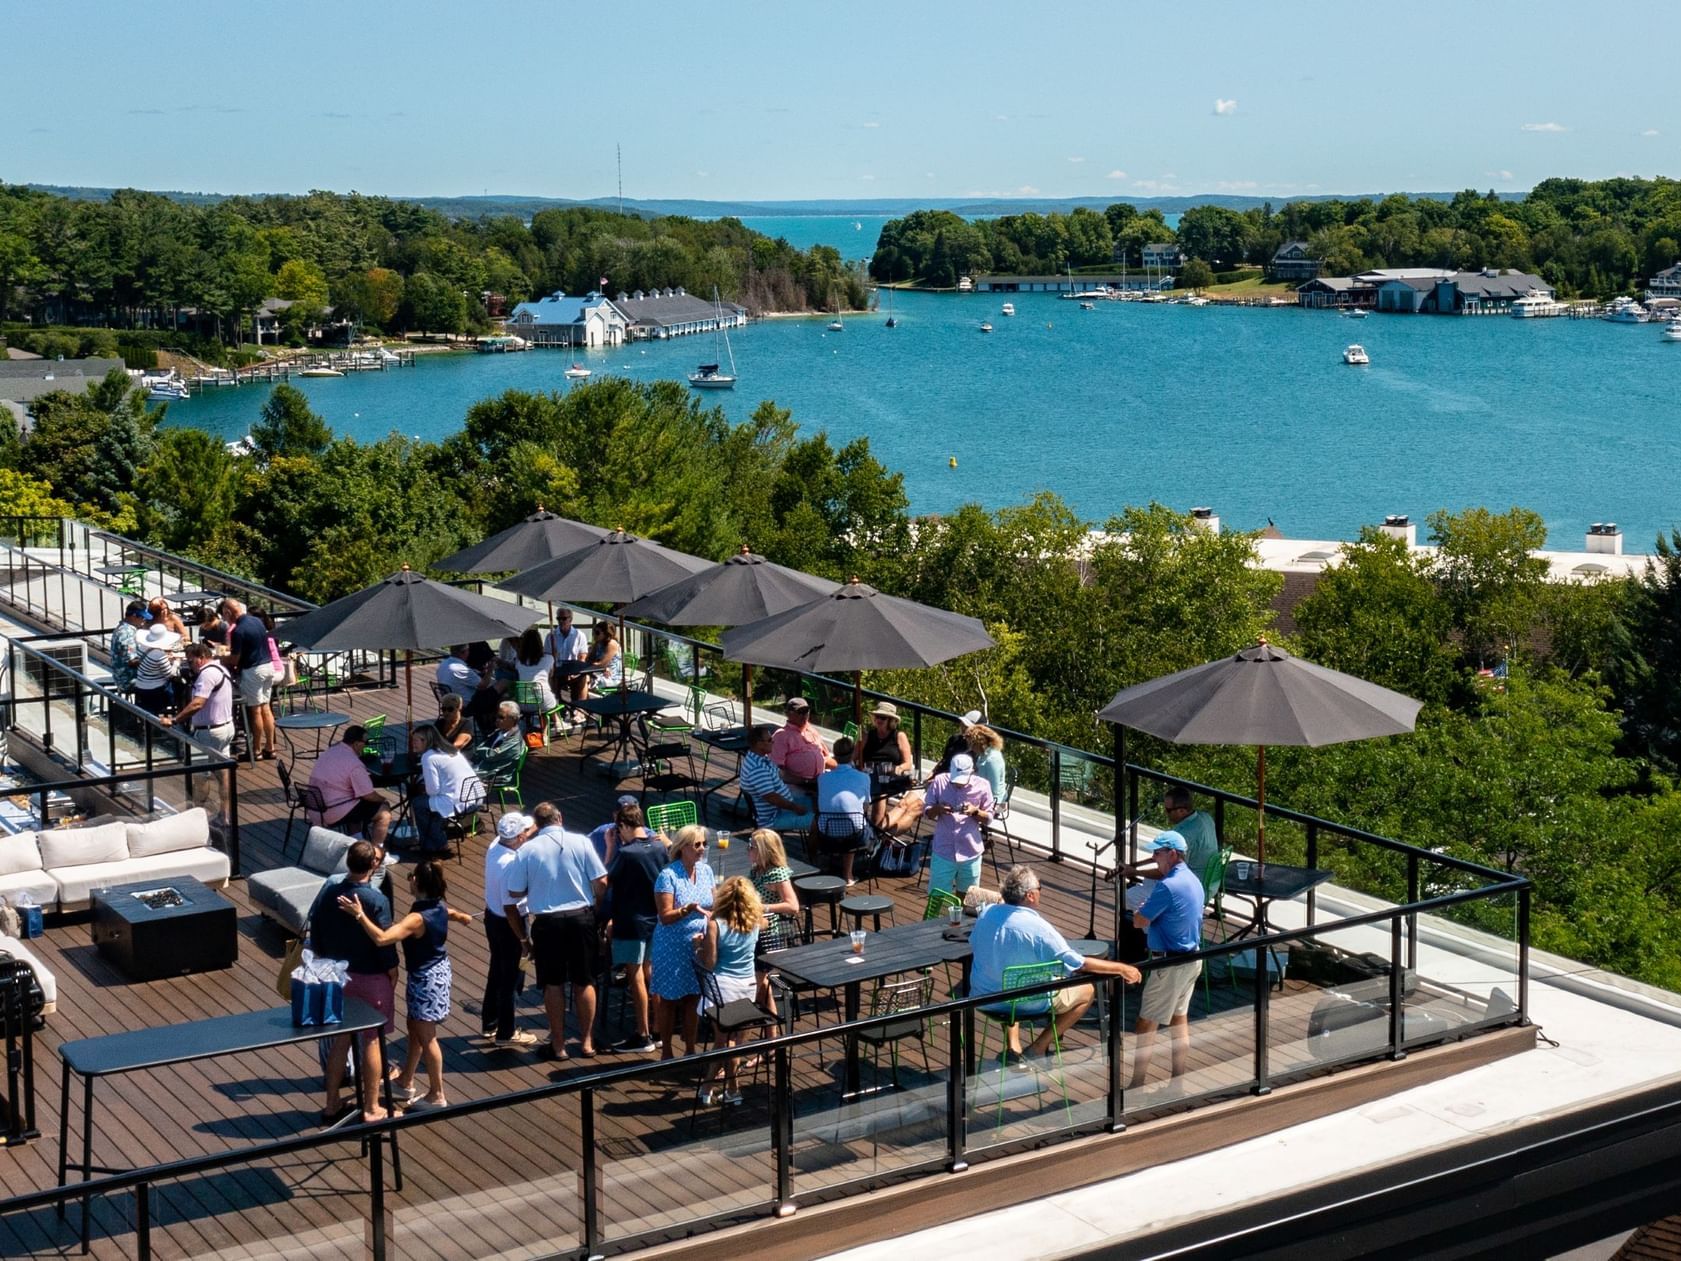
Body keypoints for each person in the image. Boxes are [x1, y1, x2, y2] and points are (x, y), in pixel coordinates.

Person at [339, 859, 474, 1112]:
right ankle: (406, 1080)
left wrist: (360, 916)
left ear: (417, 882)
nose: (408, 879)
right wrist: (463, 917)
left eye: (411, 875)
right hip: (436, 971)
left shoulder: (416, 918)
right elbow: (451, 913)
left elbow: (382, 938)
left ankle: (437, 1094)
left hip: (426, 979)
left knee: (427, 1036)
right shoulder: (438, 906)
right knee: (414, 1028)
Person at [970, 865, 1140, 1059]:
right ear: (1030, 896)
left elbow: (974, 943)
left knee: (1009, 976)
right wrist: (1122, 968)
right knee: (1087, 991)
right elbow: (1078, 963)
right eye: (1039, 889)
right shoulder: (1039, 928)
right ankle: (1038, 1048)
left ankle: (1013, 1047)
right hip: (1024, 1001)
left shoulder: (986, 913)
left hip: (984, 997)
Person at [503, 802, 607, 1060]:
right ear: (560, 817)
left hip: (548, 923)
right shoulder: (581, 841)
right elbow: (602, 882)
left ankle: (558, 1046)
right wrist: (596, 908)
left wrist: (536, 886)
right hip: (581, 918)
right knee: (585, 981)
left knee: (553, 983)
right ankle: (586, 1042)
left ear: (537, 824)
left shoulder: (527, 850)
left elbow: (514, 892)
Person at [307, 839, 398, 1124]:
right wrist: (392, 974)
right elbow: (385, 944)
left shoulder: (328, 894)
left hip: (336, 976)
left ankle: (332, 1103)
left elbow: (317, 936)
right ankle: (371, 1107)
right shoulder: (375, 900)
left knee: (341, 1040)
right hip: (370, 976)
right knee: (372, 1040)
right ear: (373, 864)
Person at [1128, 831, 1206, 1090]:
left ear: (1173, 854)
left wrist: (1140, 913)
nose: (1154, 858)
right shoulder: (1194, 880)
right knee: (1178, 1018)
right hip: (1192, 959)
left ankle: (1137, 1085)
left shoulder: (1167, 886)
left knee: (1146, 1022)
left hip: (1169, 964)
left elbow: (1140, 921)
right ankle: (1177, 1082)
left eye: (1158, 853)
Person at [693, 876, 763, 1105]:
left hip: (721, 987)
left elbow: (710, 962)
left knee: (725, 1041)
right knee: (728, 1041)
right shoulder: (755, 921)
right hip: (747, 986)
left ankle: (726, 1089)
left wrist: (698, 947)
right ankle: (714, 1089)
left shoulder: (715, 924)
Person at [650, 825, 716, 1060]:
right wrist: (687, 910)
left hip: (697, 945)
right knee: (669, 1000)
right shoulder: (668, 876)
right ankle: (666, 1051)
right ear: (683, 847)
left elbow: (713, 903)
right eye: (697, 844)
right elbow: (665, 917)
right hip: (671, 946)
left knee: (693, 997)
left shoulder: (706, 871)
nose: (701, 849)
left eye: (704, 844)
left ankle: (690, 1050)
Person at [605, 815, 667, 1053]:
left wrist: (611, 847)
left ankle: (642, 1035)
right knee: (652, 973)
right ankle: (658, 1028)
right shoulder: (660, 846)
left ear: (624, 826)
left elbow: (606, 880)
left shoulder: (627, 853)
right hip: (656, 919)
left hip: (631, 921)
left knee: (636, 975)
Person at [159, 641, 234, 822]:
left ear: (201, 658)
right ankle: (225, 815)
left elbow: (198, 703)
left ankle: (196, 817)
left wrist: (176, 720)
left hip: (209, 732)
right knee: (222, 772)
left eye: (191, 662)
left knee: (201, 775)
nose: (190, 666)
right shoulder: (221, 670)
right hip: (224, 728)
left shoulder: (207, 675)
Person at [481, 812, 538, 1048]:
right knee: (511, 976)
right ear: (519, 838)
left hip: (492, 918)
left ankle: (490, 1022)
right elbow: (511, 908)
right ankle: (507, 1031)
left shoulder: (496, 845)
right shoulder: (511, 865)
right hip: (510, 925)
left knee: (497, 969)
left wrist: (535, 828)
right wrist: (524, 940)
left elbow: (529, 829)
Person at [1124, 787, 1220, 912]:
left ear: (1182, 811)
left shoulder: (1183, 836)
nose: (1165, 813)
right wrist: (1136, 865)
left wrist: (1134, 872)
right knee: (1148, 880)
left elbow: (1166, 872)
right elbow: (1164, 856)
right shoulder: (1205, 818)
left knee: (1128, 897)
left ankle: (1152, 926)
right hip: (1210, 883)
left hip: (1190, 890)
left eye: (1168, 810)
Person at [307, 724, 392, 845]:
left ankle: (357, 842)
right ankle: (377, 851)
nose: (366, 745)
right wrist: (384, 799)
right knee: (384, 812)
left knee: (356, 802)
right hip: (333, 811)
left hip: (314, 809)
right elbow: (368, 795)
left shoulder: (330, 751)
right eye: (365, 742)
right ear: (357, 744)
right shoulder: (354, 765)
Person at [923, 751, 994, 895]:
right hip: (944, 851)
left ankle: (961, 918)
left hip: (970, 852)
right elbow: (927, 812)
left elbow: (989, 819)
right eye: (955, 780)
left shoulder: (983, 785)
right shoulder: (939, 781)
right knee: (938, 897)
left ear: (972, 772)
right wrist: (938, 809)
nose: (958, 784)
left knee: (967, 899)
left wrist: (975, 812)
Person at [409, 723, 482, 856]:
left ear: (426, 741)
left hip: (456, 802)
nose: (413, 744)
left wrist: (422, 787)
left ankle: (436, 843)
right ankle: (432, 844)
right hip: (474, 796)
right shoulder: (451, 750)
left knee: (418, 803)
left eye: (416, 741)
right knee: (431, 806)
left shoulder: (428, 757)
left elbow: (433, 790)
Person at [747, 829, 799, 1011]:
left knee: (755, 987)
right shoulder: (756, 871)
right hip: (753, 932)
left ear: (764, 850)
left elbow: (793, 906)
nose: (748, 849)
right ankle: (772, 1034)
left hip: (766, 936)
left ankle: (746, 1023)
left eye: (752, 846)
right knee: (762, 986)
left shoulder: (777, 874)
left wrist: (765, 908)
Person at [221, 596, 278, 760]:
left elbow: (235, 659)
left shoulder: (239, 630)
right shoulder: (256, 621)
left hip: (253, 671)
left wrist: (219, 658)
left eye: (224, 614)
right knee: (266, 708)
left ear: (228, 612)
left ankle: (256, 750)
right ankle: (270, 748)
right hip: (268, 667)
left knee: (255, 711)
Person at [854, 702, 919, 834]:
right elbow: (853, 756)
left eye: (883, 718)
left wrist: (897, 769)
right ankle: (859, 826)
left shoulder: (899, 736)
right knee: (867, 787)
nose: (878, 720)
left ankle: (875, 830)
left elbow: (907, 763)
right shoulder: (867, 735)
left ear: (891, 720)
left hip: (888, 776)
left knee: (880, 792)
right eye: (877, 717)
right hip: (868, 774)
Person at [815, 736, 871, 886]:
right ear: (852, 754)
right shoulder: (863, 777)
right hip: (854, 834)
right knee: (858, 823)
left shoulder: (822, 778)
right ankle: (848, 874)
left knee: (839, 819)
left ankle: (823, 863)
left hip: (826, 831)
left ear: (834, 755)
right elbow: (865, 807)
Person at [740, 725, 815, 832]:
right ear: (759, 744)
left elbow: (782, 774)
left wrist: (806, 781)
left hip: (784, 806)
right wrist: (795, 808)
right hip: (774, 817)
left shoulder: (760, 758)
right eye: (770, 740)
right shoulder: (757, 769)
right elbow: (772, 797)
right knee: (820, 821)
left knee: (818, 803)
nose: (773, 742)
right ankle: (814, 848)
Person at [771, 696, 834, 791]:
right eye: (800, 712)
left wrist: (844, 769)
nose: (804, 716)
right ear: (788, 714)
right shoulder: (781, 735)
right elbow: (776, 770)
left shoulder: (812, 730)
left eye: (806, 712)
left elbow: (827, 757)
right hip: (795, 786)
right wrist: (805, 781)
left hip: (819, 782)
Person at [132, 622, 183, 717]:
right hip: (155, 690)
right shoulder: (159, 655)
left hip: (140, 685)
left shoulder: (141, 648)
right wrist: (177, 662)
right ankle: (179, 711)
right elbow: (170, 674)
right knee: (180, 685)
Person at [513, 626, 558, 728]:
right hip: (542, 701)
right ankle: (550, 727)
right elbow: (551, 675)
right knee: (550, 699)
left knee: (542, 697)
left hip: (523, 703)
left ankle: (547, 726)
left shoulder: (519, 661)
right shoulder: (549, 658)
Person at [589, 795, 649, 868]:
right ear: (614, 816)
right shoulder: (601, 832)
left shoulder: (652, 838)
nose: (626, 821)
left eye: (631, 816)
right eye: (622, 816)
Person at [545, 608, 591, 701]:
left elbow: (582, 656)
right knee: (551, 679)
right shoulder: (551, 636)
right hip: (557, 670)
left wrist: (576, 672)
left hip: (573, 669)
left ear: (570, 619)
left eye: (564, 618)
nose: (561, 621)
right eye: (559, 619)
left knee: (583, 678)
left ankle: (580, 709)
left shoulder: (579, 635)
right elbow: (547, 656)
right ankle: (555, 704)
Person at [932, 709, 984, 776]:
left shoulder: (979, 752)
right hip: (940, 777)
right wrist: (932, 773)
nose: (963, 727)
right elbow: (943, 760)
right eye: (962, 723)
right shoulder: (954, 739)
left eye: (967, 726)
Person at [109, 601, 146, 695]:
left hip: (122, 677)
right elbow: (132, 661)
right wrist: (151, 658)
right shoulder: (127, 633)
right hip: (129, 680)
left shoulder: (122, 628)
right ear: (134, 616)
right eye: (142, 617)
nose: (144, 620)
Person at [965, 724, 1007, 805]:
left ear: (980, 743)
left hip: (993, 801)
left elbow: (993, 789)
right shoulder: (982, 755)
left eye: (972, 744)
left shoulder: (992, 759)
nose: (971, 748)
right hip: (981, 792)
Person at [582, 621, 622, 698]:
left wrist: (601, 667)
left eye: (597, 633)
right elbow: (588, 659)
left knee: (584, 679)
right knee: (577, 678)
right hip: (599, 672)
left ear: (606, 633)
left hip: (612, 677)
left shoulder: (612, 644)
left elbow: (601, 664)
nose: (594, 635)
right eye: (594, 632)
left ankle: (583, 705)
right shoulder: (598, 643)